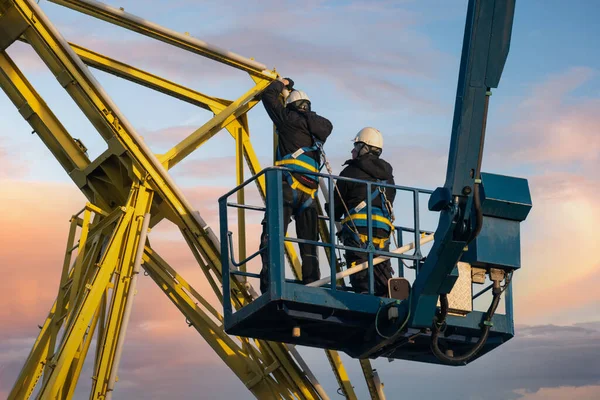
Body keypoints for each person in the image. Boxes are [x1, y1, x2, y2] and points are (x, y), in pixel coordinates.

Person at [259, 77, 333, 294]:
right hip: (309, 193)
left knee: (273, 233)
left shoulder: (287, 119)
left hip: (287, 187)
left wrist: (280, 83)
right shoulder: (319, 127)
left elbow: (268, 97)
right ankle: (312, 283)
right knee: (309, 243)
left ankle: (268, 282)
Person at [332, 127, 396, 296]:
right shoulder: (388, 177)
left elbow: (335, 208)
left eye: (356, 146)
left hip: (357, 232)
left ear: (364, 147)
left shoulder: (350, 172)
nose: (353, 150)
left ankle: (365, 298)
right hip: (382, 232)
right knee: (382, 274)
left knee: (361, 279)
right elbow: (391, 199)